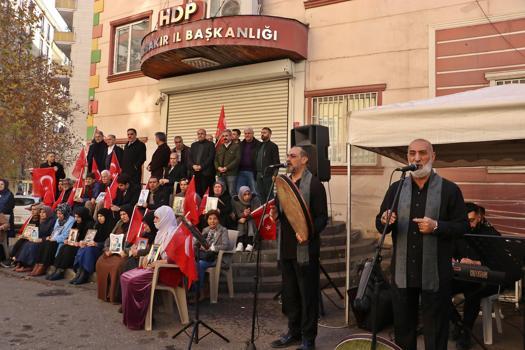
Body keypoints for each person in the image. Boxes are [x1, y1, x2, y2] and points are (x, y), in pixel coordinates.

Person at [375, 139, 468, 350]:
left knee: (435, 331)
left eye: (423, 153)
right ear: (407, 157)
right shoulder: (396, 189)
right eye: (412, 153)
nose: (417, 158)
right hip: (402, 273)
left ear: (433, 156)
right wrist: (384, 220)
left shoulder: (449, 190)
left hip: (435, 273)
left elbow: (462, 226)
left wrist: (437, 227)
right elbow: (381, 224)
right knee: (404, 329)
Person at [269, 146, 328, 350]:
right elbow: (281, 211)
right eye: (288, 156)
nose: (289, 159)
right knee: (290, 295)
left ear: (304, 160)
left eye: (293, 156)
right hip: (286, 248)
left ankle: (308, 339)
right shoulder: (284, 184)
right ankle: (293, 333)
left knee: (307, 296)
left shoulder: (315, 185)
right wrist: (275, 214)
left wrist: (308, 234)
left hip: (306, 249)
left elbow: (322, 218)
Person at [120, 206, 180, 330]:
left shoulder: (174, 233)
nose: (154, 221)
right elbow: (155, 250)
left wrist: (159, 261)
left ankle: (141, 319)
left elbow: (175, 258)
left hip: (167, 270)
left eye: (157, 218)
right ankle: (131, 316)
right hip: (156, 267)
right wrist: (148, 256)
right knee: (125, 276)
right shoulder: (160, 232)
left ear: (165, 218)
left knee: (133, 281)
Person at [451, 202, 500, 350]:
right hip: (461, 276)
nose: (469, 225)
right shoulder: (459, 233)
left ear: (479, 217)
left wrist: (476, 263)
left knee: (472, 291)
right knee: (437, 288)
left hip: (486, 280)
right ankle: (459, 324)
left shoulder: (490, 234)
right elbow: (451, 253)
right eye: (466, 221)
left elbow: (498, 262)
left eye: (472, 220)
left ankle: (465, 335)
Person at [96, 205, 133, 303]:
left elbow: (135, 244)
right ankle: (104, 293)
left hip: (123, 253)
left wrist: (126, 251)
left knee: (117, 266)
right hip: (113, 251)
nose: (122, 217)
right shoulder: (119, 223)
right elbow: (110, 237)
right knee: (101, 261)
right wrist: (107, 249)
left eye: (125, 214)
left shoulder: (134, 225)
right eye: (121, 214)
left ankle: (114, 295)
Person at [47, 207, 95, 281]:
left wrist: (79, 243)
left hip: (82, 245)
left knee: (68, 249)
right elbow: (71, 234)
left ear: (83, 216)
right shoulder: (76, 223)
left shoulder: (90, 224)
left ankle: (61, 271)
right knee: (63, 247)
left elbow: (89, 238)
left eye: (78, 217)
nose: (76, 219)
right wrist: (67, 240)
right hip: (74, 243)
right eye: (75, 216)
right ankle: (56, 268)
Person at [72, 208, 115, 285]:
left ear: (106, 216)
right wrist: (85, 242)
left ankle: (85, 273)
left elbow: (110, 242)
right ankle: (79, 272)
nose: (99, 218)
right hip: (94, 246)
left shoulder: (111, 226)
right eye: (98, 216)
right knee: (84, 248)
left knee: (89, 250)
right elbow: (91, 237)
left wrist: (97, 244)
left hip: (103, 249)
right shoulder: (97, 225)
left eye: (101, 216)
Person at [196, 210, 230, 300]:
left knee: (200, 264)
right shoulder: (205, 230)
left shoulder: (223, 230)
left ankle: (200, 292)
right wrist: (200, 246)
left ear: (218, 220)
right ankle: (192, 291)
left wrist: (212, 248)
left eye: (215, 219)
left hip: (216, 258)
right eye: (210, 219)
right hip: (204, 256)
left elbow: (225, 245)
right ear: (207, 220)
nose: (212, 221)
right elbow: (199, 243)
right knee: (192, 262)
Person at [34, 204, 75, 275]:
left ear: (65, 213)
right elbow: (55, 230)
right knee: (44, 243)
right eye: (57, 213)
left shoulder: (71, 220)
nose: (58, 215)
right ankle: (38, 264)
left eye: (60, 214)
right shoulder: (58, 220)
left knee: (49, 244)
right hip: (55, 238)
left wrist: (55, 239)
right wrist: (51, 237)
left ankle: (43, 265)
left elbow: (66, 234)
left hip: (62, 241)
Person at [16, 206, 56, 275]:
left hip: (45, 240)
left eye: (44, 212)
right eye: (40, 212)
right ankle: (22, 264)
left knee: (33, 245)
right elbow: (36, 232)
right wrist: (31, 236)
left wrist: (41, 239)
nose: (41, 214)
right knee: (27, 243)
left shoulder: (52, 222)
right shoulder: (42, 221)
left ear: (48, 213)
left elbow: (52, 235)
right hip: (38, 239)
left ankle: (30, 265)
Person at [5, 204, 41, 269]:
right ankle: (13, 259)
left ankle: (16, 261)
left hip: (34, 238)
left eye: (34, 210)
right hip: (27, 236)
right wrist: (23, 235)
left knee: (23, 243)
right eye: (32, 209)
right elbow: (25, 228)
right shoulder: (31, 218)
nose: (32, 211)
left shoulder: (40, 219)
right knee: (20, 241)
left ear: (39, 210)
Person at [188, 128, 216, 197]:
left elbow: (210, 158)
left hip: (205, 173)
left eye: (202, 134)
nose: (200, 135)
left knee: (205, 193)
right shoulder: (193, 145)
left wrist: (201, 166)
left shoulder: (210, 144)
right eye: (198, 134)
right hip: (195, 172)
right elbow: (189, 157)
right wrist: (193, 165)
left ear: (205, 135)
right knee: (196, 193)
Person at [233, 186, 260, 252]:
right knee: (241, 222)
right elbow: (237, 214)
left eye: (248, 194)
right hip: (242, 220)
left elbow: (256, 212)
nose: (247, 196)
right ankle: (240, 243)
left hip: (253, 219)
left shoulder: (254, 199)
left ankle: (250, 243)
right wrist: (243, 215)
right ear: (241, 195)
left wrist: (247, 215)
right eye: (244, 194)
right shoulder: (236, 201)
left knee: (250, 222)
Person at [256, 127, 280, 201]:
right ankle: (263, 212)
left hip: (268, 176)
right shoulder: (259, 145)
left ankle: (271, 212)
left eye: (265, 133)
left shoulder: (273, 146)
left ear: (270, 135)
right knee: (260, 195)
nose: (262, 134)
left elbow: (277, 162)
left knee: (269, 196)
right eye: (262, 133)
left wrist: (275, 174)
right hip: (259, 175)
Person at [215, 129, 241, 197]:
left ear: (231, 136)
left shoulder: (236, 146)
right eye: (223, 136)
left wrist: (227, 167)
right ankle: (222, 207)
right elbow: (215, 160)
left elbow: (237, 160)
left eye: (226, 136)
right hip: (220, 174)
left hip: (231, 174)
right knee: (221, 192)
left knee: (232, 192)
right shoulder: (220, 147)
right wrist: (218, 167)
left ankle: (233, 207)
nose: (224, 137)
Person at [237, 127, 260, 194]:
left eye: (249, 133)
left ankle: (256, 204)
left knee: (255, 192)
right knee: (240, 191)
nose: (247, 135)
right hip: (241, 172)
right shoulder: (240, 144)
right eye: (245, 133)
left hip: (252, 172)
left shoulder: (259, 144)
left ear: (253, 134)